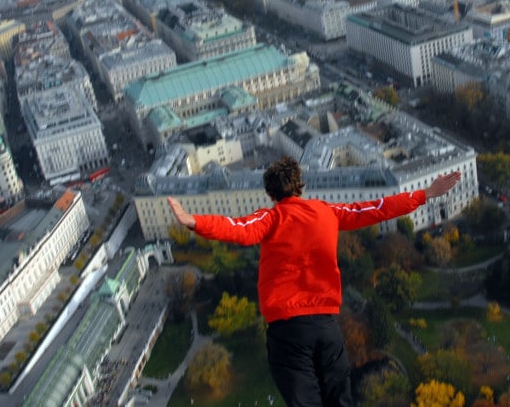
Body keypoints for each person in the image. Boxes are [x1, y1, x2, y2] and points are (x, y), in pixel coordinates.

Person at [167, 156, 461, 407]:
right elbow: (375, 208)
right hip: (326, 328)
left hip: (288, 330)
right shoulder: (326, 212)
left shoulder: (270, 219)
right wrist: (424, 194)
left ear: (271, 194)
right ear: (300, 185)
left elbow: (236, 228)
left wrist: (194, 221)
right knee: (341, 399)